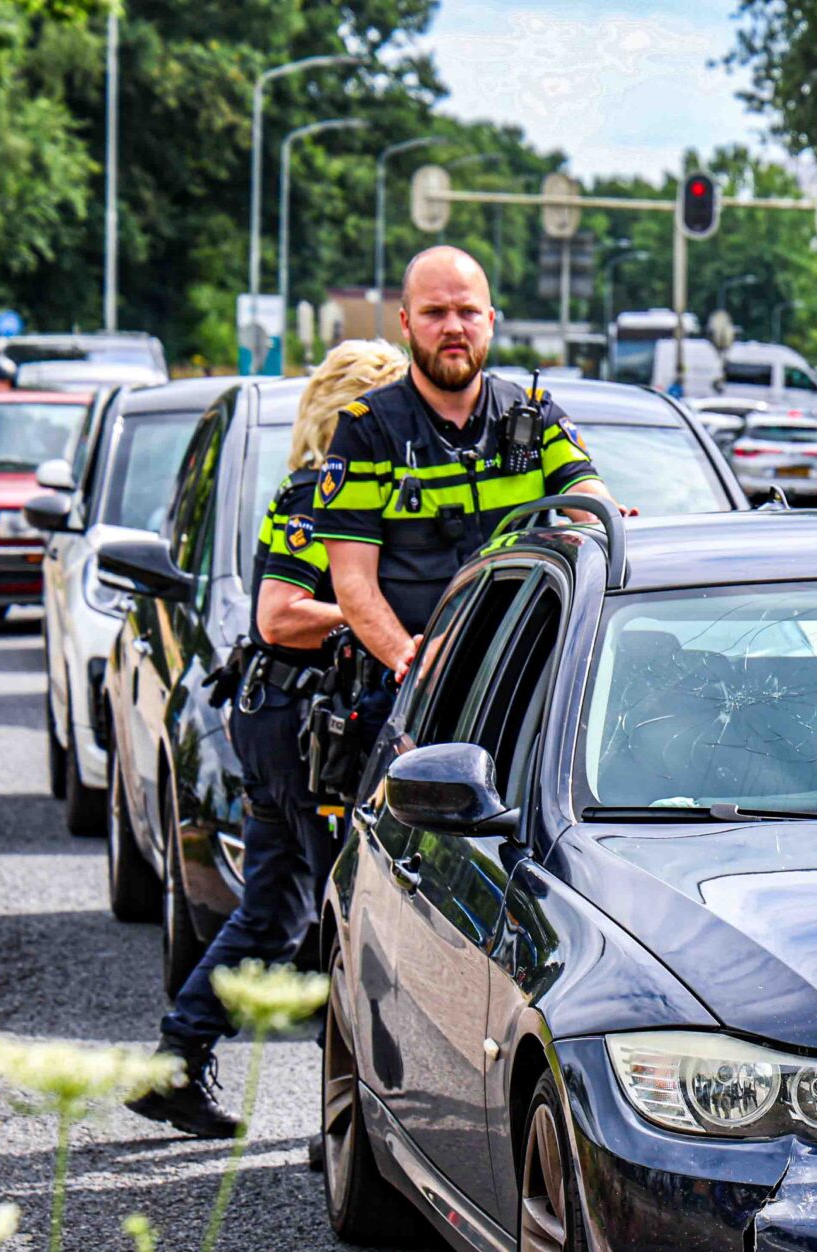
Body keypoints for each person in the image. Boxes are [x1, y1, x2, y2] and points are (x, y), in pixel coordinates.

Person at [128, 340, 410, 1138]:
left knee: (273, 911)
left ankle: (174, 1066)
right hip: (300, 729)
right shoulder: (320, 491)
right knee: (345, 923)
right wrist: (382, 622)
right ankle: (348, 1129)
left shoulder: (337, 488)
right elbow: (279, 614)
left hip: (278, 718)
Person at [312, 245, 614, 683]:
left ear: (489, 323)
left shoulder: (537, 416)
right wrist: (410, 663)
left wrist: (615, 524)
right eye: (434, 312)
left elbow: (590, 503)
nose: (453, 327)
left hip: (526, 685)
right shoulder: (366, 432)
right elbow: (353, 581)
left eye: (468, 313)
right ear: (405, 322)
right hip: (411, 694)